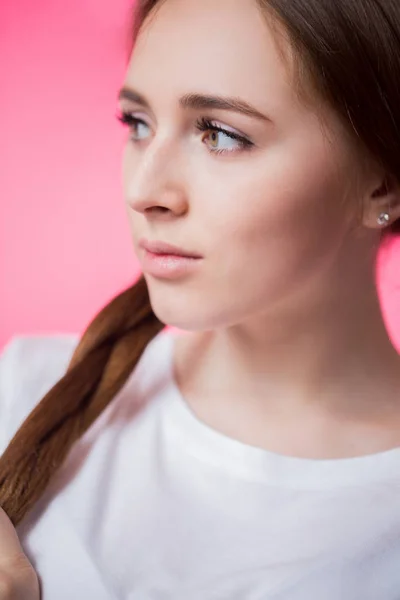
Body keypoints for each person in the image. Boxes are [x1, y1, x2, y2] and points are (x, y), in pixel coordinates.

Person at [1, 0, 400, 597]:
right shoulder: (24, 392)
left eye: (221, 134)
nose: (144, 190)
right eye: (138, 124)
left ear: (383, 184)